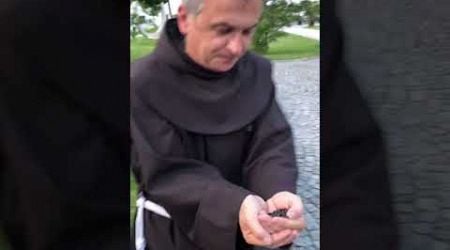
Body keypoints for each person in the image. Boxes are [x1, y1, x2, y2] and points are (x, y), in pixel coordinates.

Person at [130, 0, 305, 249]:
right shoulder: (142, 83)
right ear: (185, 20)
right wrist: (234, 205)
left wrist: (276, 191)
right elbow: (166, 171)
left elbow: (272, 142)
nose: (236, 48)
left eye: (247, 32)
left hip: (248, 226)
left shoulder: (256, 72)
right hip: (174, 235)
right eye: (223, 30)